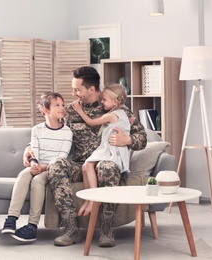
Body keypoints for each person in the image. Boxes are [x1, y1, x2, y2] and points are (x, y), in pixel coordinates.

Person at [24, 66, 146, 248]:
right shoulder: (71, 111)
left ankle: (107, 228)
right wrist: (29, 148)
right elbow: (48, 130)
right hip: (79, 165)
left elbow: (142, 139)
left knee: (107, 167)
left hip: (106, 163)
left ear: (91, 89)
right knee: (57, 164)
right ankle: (71, 228)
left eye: (77, 89)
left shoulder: (117, 108)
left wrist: (126, 139)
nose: (74, 94)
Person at [2, 91, 73, 242]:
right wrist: (34, 163)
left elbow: (61, 157)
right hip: (38, 165)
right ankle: (11, 218)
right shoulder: (37, 130)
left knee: (37, 180)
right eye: (57, 105)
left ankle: (32, 226)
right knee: (23, 175)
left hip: (52, 168)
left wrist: (42, 168)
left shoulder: (67, 132)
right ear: (45, 110)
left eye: (62, 104)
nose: (62, 107)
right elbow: (34, 150)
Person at [71, 83, 131, 217]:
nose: (102, 102)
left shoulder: (112, 115)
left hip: (112, 149)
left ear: (115, 101)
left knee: (87, 165)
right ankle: (89, 198)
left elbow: (92, 122)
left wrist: (80, 111)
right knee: (85, 167)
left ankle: (93, 199)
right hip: (109, 147)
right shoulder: (120, 113)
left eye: (104, 99)